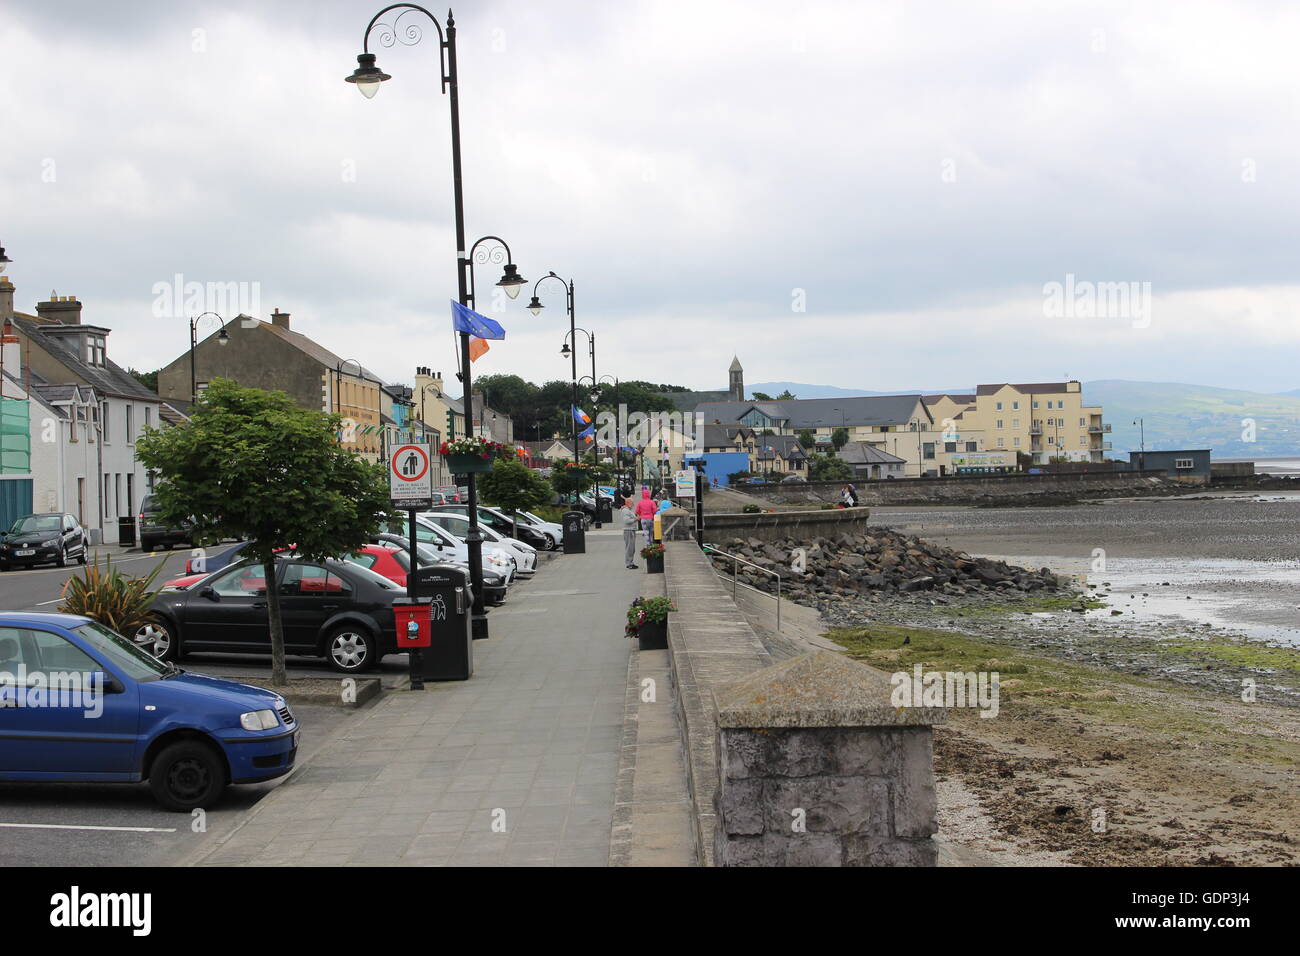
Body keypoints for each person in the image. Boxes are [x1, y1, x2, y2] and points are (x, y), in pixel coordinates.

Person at [620, 496, 639, 569]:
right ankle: (629, 563)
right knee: (629, 548)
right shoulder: (626, 511)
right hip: (628, 530)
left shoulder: (629, 510)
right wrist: (636, 519)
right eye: (632, 502)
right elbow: (626, 521)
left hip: (631, 530)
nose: (633, 504)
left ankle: (631, 562)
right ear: (628, 503)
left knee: (632, 548)